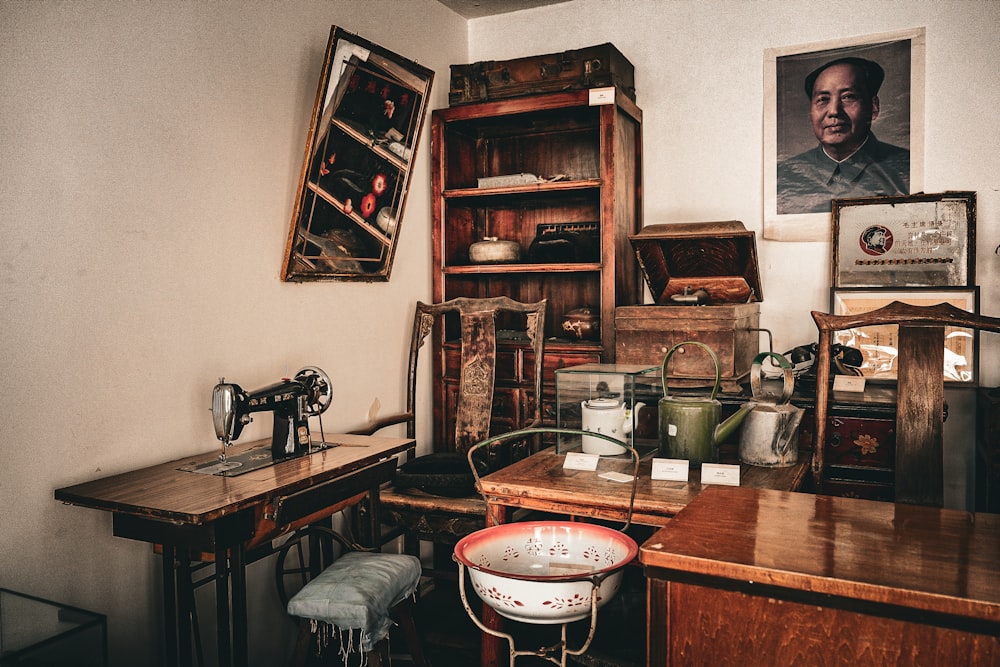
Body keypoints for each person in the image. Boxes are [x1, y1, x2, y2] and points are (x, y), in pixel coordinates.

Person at [777, 56, 909, 214]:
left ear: (873, 107)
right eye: (823, 99)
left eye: (848, 97)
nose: (833, 111)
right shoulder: (782, 176)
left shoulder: (906, 169)